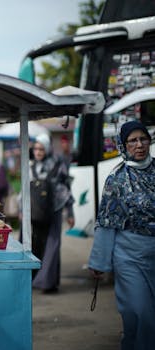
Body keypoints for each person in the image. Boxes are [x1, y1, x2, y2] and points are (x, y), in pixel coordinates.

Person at [88, 120, 155, 349]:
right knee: (140, 311)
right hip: (129, 257)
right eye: (133, 140)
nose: (139, 145)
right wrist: (99, 262)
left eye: (143, 139)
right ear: (123, 145)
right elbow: (107, 222)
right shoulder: (117, 180)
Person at [29, 133, 74, 292]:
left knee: (52, 247)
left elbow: (66, 188)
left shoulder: (58, 165)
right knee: (34, 245)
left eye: (41, 149)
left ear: (47, 149)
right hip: (36, 212)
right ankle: (35, 280)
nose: (38, 152)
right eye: (36, 148)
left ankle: (48, 283)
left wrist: (70, 213)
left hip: (54, 209)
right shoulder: (31, 166)